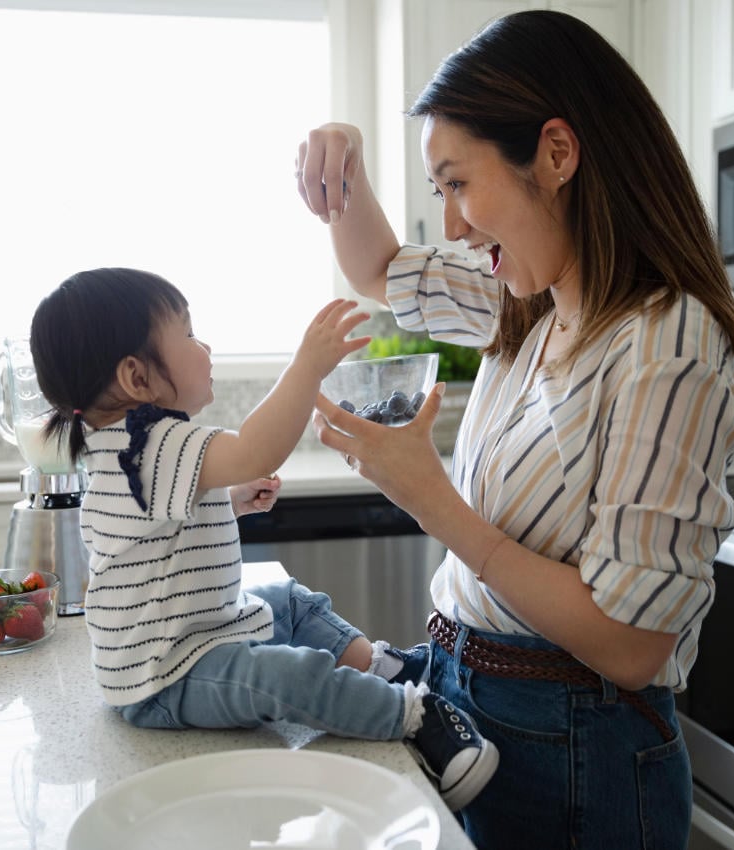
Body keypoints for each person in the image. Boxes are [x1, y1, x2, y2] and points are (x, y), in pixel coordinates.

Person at [295, 9, 734, 850]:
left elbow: (629, 643)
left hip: (579, 749)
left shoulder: (666, 340)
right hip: (475, 702)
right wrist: (344, 165)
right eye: (441, 193)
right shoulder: (529, 300)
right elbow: (380, 270)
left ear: (557, 152)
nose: (456, 226)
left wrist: (434, 502)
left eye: (459, 183)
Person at [28, 267, 499, 813]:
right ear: (138, 379)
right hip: (167, 677)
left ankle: (380, 666)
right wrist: (307, 367)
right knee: (284, 676)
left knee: (290, 604)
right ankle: (413, 716)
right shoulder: (151, 440)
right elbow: (256, 447)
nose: (204, 346)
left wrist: (226, 500)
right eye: (187, 334)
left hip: (183, 641)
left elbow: (154, 533)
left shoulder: (120, 447)